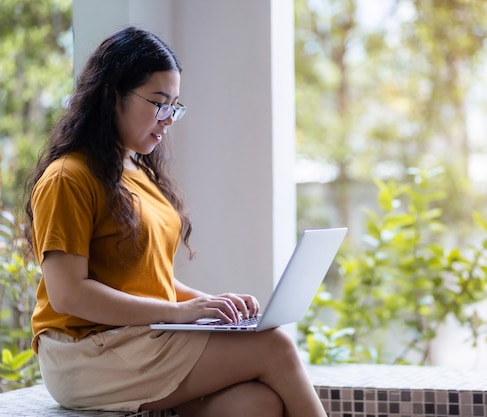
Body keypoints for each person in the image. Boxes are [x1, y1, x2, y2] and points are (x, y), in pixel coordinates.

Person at [24, 26, 327, 417]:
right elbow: (69, 295)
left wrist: (207, 304)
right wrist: (178, 313)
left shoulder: (135, 170)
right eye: (158, 103)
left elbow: (148, 280)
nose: (167, 119)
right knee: (275, 346)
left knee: (256, 404)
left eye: (175, 106)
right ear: (110, 94)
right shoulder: (69, 178)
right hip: (84, 355)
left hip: (136, 339)